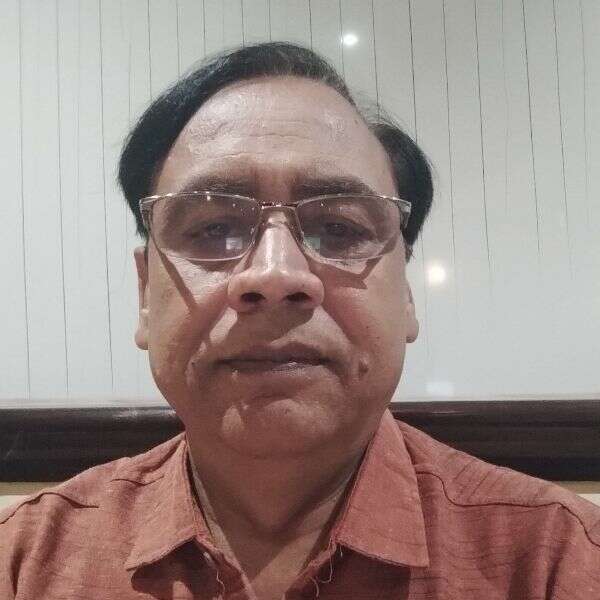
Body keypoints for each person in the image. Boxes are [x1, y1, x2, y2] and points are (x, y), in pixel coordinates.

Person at [1, 42, 599, 600]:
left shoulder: (559, 560)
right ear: (144, 295)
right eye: (213, 228)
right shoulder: (23, 563)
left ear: (406, 295)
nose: (275, 274)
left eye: (338, 229)